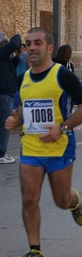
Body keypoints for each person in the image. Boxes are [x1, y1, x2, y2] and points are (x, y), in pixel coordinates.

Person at [4, 27, 82, 257]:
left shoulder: (62, 75)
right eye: (29, 43)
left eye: (38, 43)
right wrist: (15, 119)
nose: (32, 47)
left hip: (59, 148)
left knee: (61, 201)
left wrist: (61, 128)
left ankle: (74, 201)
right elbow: (24, 108)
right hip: (31, 149)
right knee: (29, 200)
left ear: (49, 48)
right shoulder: (22, 79)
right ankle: (36, 251)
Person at [0, 32, 22, 164]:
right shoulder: (1, 53)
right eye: (6, 43)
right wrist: (17, 36)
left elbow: (10, 68)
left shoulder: (4, 58)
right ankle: (1, 153)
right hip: (3, 95)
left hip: (6, 94)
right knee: (4, 125)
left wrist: (18, 56)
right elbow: (13, 43)